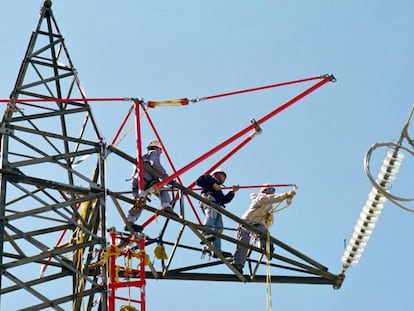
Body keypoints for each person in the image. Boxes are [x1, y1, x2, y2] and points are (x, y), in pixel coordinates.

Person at [232, 184, 296, 273]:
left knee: (264, 230)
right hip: (246, 222)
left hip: (258, 224)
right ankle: (238, 264)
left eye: (274, 190)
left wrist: (269, 219)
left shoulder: (269, 206)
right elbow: (271, 199)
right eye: (270, 189)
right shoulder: (259, 198)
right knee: (244, 241)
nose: (272, 192)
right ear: (264, 190)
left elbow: (270, 223)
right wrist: (285, 195)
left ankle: (267, 247)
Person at [125, 139, 174, 232]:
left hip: (136, 181)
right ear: (156, 148)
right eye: (160, 150)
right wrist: (165, 176)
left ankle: (129, 222)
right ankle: (167, 206)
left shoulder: (142, 156)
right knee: (162, 190)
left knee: (138, 202)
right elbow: (155, 163)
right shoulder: (153, 152)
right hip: (146, 179)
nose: (160, 153)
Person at [196, 168, 239, 257]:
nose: (224, 179)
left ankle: (216, 249)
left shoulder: (218, 188)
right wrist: (212, 183)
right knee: (211, 216)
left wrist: (232, 192)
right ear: (217, 174)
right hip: (209, 198)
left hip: (216, 204)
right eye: (223, 176)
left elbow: (223, 200)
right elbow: (199, 182)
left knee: (219, 227)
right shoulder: (209, 178)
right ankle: (205, 234)